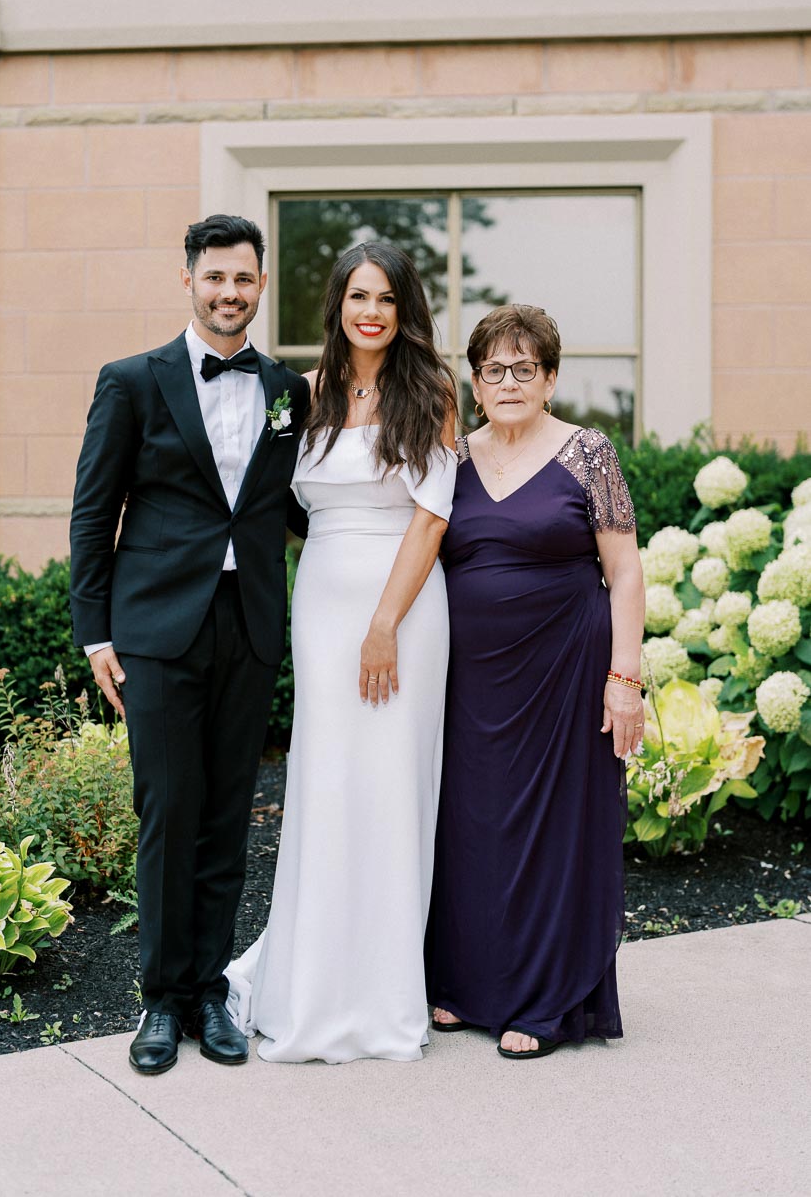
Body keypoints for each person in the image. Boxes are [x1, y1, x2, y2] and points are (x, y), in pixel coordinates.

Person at [69, 214, 310, 1075]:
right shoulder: (132, 381)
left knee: (227, 816)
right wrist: (93, 629)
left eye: (244, 280)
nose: (229, 293)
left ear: (259, 286)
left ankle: (210, 993)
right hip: (156, 633)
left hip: (247, 627)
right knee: (168, 813)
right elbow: (94, 515)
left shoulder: (289, 391)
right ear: (189, 282)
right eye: (215, 278)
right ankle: (160, 1002)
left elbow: (297, 508)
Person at [226, 240, 457, 1063]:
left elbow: (432, 514)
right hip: (320, 601)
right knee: (325, 782)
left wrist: (386, 623)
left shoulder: (430, 390)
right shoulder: (306, 394)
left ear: (405, 310)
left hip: (403, 603)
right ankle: (313, 977)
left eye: (387, 299)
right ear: (338, 305)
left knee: (392, 785)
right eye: (359, 296)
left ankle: (384, 994)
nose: (372, 312)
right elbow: (273, 501)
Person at [424, 304, 645, 1059]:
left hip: (567, 673)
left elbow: (624, 572)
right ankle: (463, 985)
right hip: (471, 682)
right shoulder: (450, 458)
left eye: (526, 368)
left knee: (556, 830)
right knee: (471, 825)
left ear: (550, 378)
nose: (509, 381)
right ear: (475, 382)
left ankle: (546, 1001)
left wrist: (625, 679)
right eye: (494, 369)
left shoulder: (589, 454)